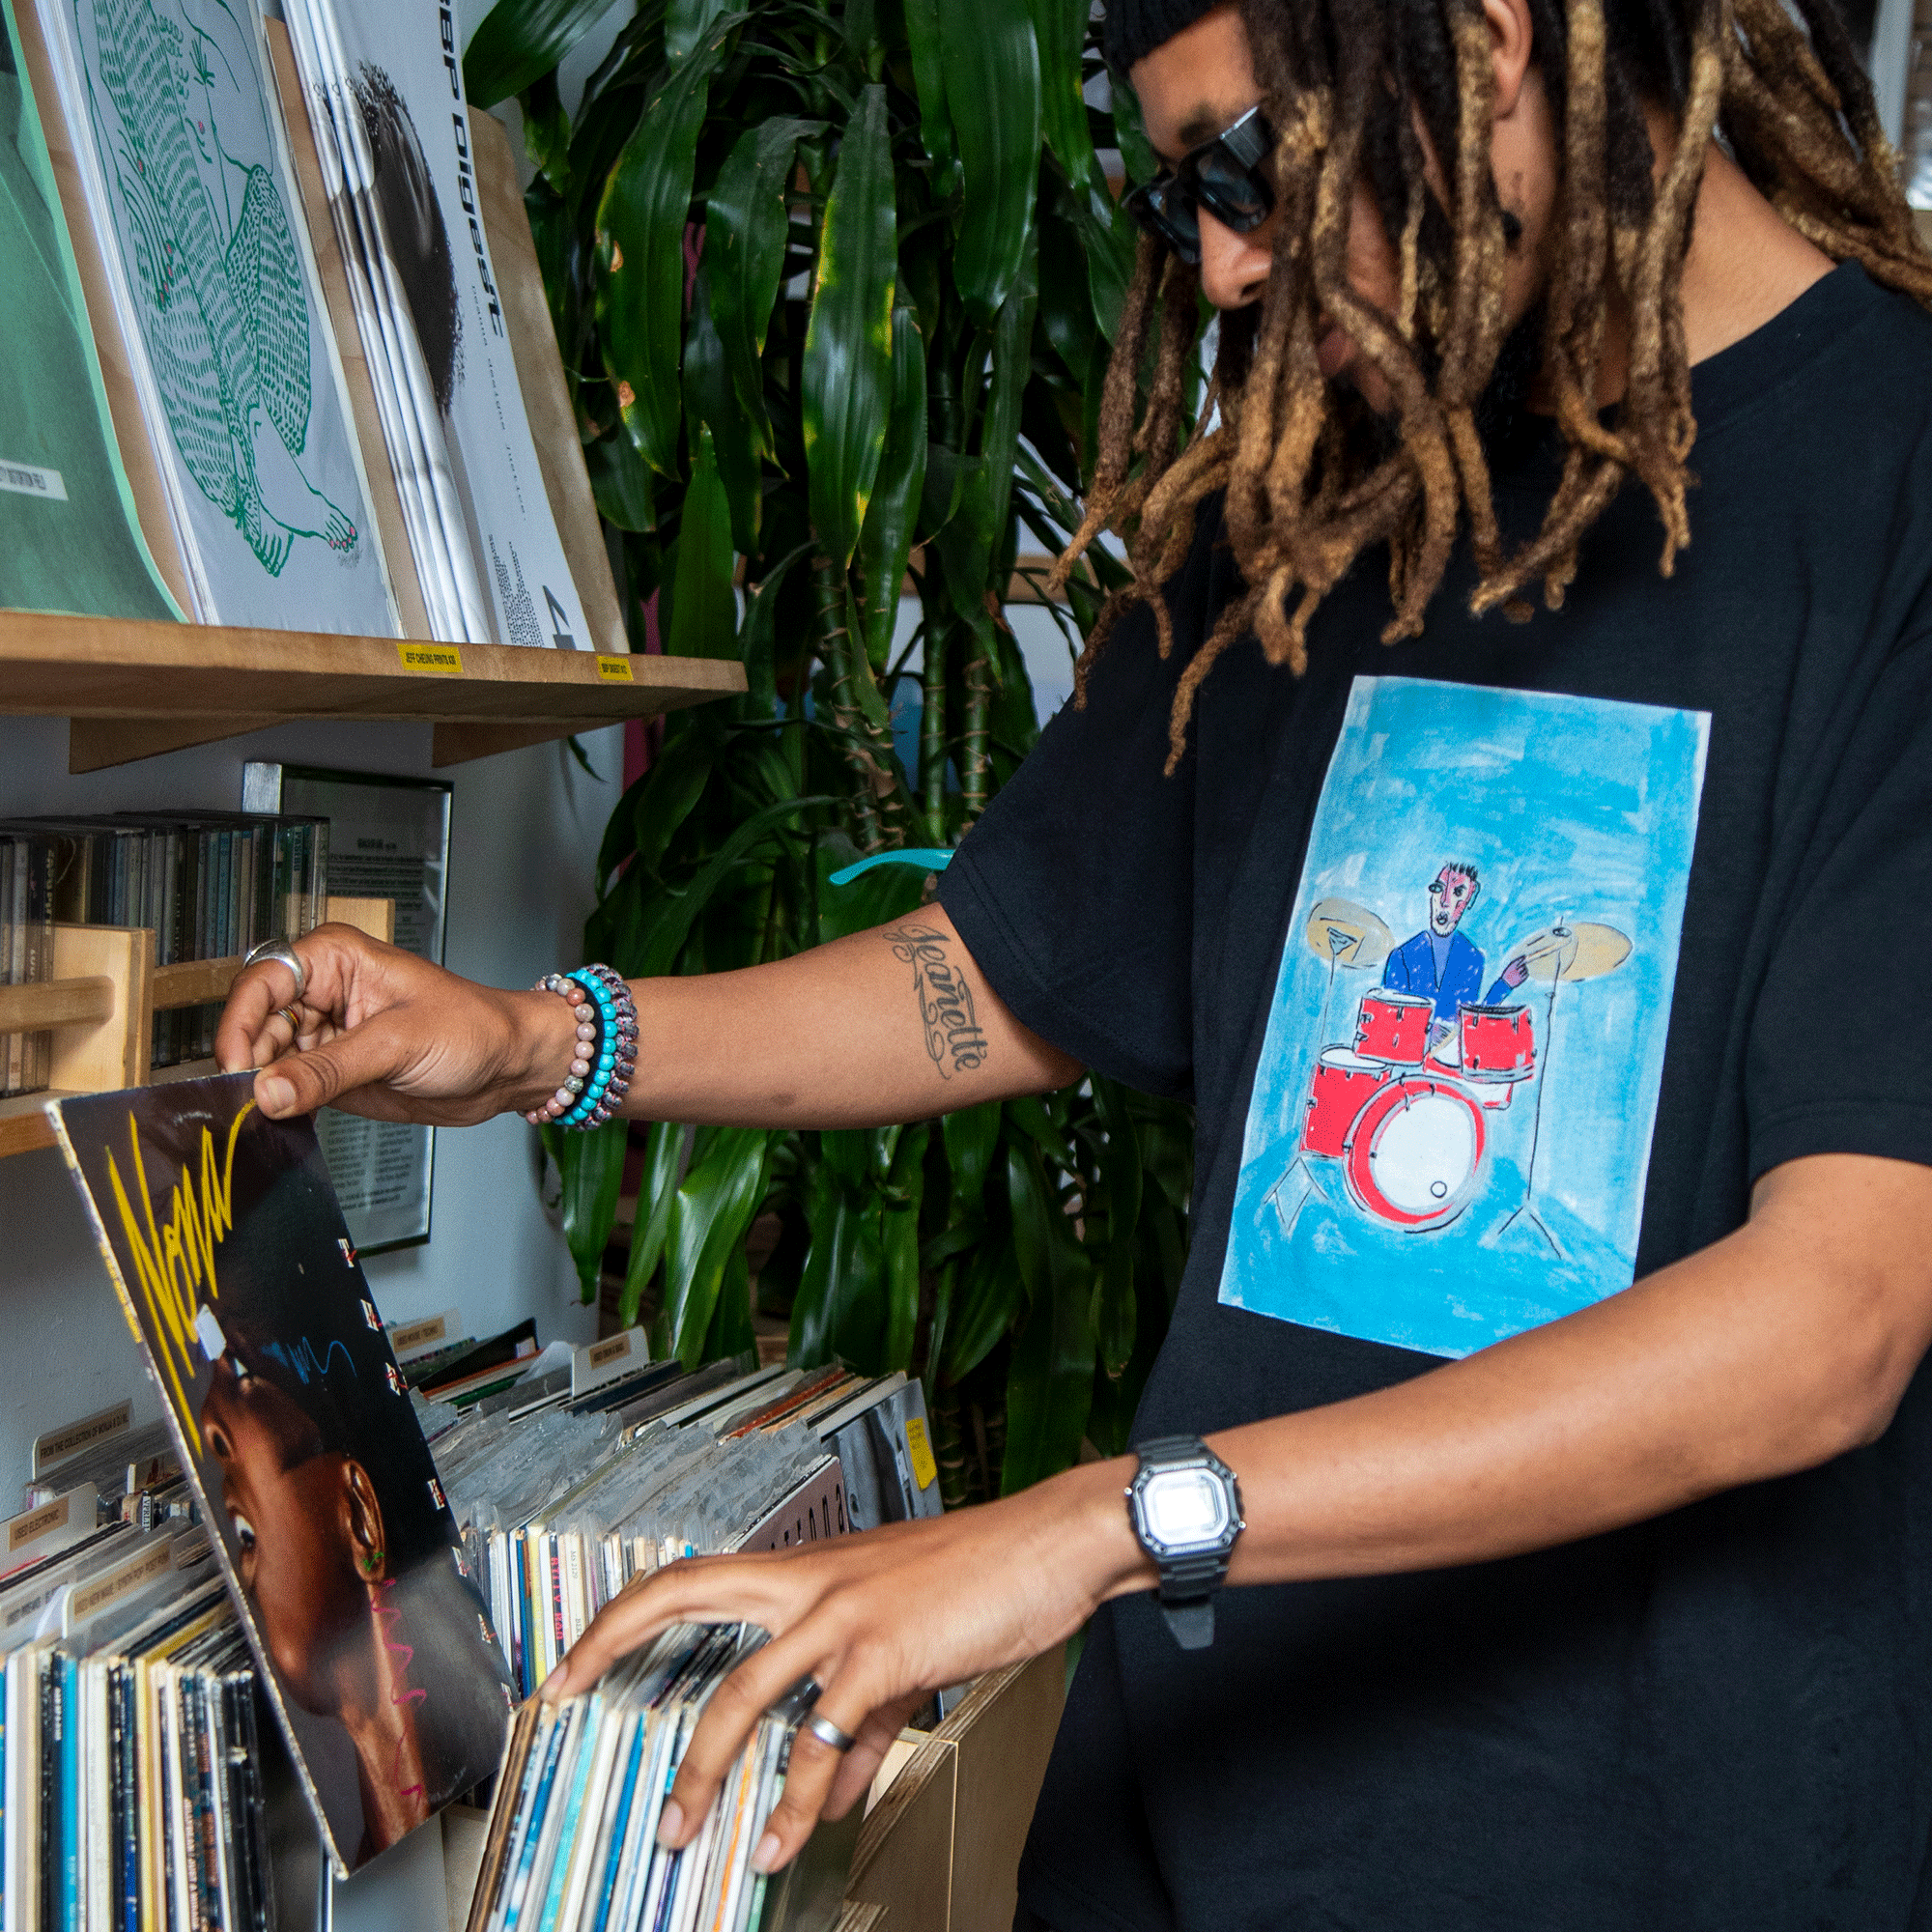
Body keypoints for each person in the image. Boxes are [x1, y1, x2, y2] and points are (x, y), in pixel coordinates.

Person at [218, 0, 1932, 1922]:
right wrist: (543, 1043)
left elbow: (1829, 1319)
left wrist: (1108, 1527)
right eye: (1173, 193)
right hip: (1190, 1815)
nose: (1213, 264)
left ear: (1489, 42)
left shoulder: (1898, 496)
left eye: (1244, 169)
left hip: (1655, 1849)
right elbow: (1011, 974)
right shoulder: (1337, 467)